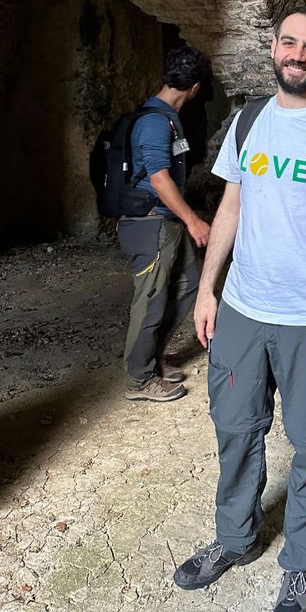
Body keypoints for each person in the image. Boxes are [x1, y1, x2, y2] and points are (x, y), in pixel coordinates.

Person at [173, 8, 306, 612]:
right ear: (273, 48)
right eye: (288, 43)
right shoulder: (249, 121)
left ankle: (300, 563)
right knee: (235, 431)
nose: (298, 55)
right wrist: (209, 287)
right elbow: (232, 207)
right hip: (242, 307)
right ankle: (235, 539)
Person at [118, 44, 212, 402]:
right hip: (150, 223)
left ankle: (151, 357)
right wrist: (193, 220)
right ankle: (140, 380)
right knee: (151, 299)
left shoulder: (165, 118)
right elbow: (159, 178)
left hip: (165, 220)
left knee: (190, 281)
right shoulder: (155, 122)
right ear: (196, 89)